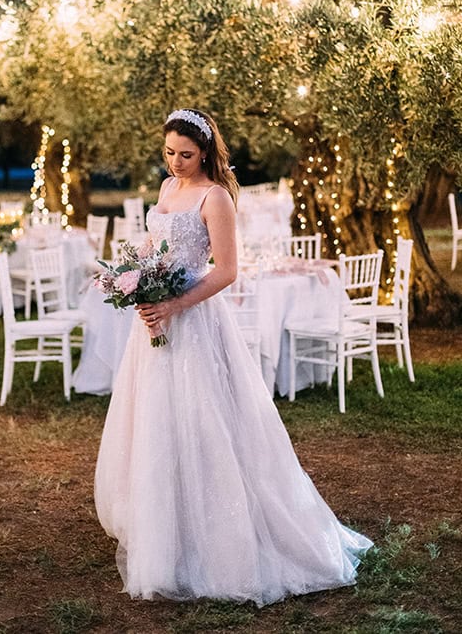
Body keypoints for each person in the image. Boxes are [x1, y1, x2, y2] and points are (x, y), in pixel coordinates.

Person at [94, 108, 372, 606]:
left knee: (207, 422)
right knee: (158, 423)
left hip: (195, 322)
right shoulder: (164, 189)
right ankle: (167, 532)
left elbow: (226, 271)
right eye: (169, 153)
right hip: (156, 323)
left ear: (204, 152)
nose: (176, 163)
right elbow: (153, 247)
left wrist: (175, 303)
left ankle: (220, 537)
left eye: (185, 154)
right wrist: (136, 282)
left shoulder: (215, 196)